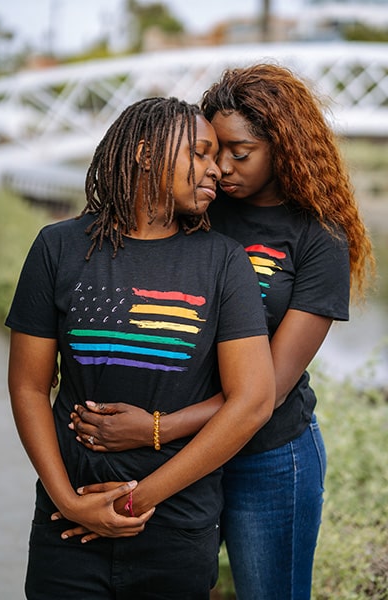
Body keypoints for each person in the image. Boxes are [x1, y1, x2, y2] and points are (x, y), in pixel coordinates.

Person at [67, 65, 375, 599]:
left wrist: (155, 428)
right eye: (210, 152)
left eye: (240, 152)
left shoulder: (319, 239)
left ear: (284, 147)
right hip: (177, 462)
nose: (221, 168)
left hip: (268, 456)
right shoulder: (201, 210)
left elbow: (269, 390)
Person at [6, 96, 275, 600]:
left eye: (218, 156)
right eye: (200, 152)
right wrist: (67, 500)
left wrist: (132, 504)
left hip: (176, 530)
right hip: (67, 528)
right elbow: (27, 384)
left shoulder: (223, 262)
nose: (216, 169)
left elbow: (253, 401)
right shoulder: (58, 248)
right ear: (146, 153)